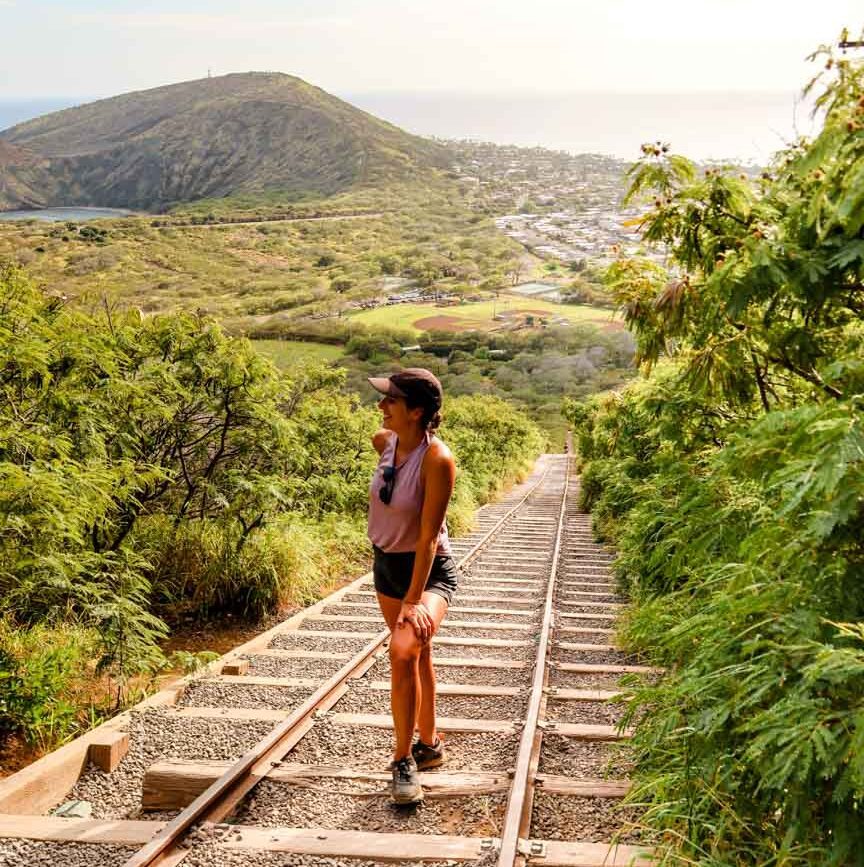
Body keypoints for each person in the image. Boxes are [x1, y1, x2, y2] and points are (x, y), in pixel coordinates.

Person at [367, 368, 458, 805]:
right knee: (417, 654)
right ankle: (430, 742)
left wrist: (412, 600)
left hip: (426, 571)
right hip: (386, 565)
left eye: (392, 401)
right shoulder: (386, 443)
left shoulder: (437, 459)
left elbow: (428, 535)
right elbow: (380, 443)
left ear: (417, 411)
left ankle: (404, 761)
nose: (382, 406)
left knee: (403, 652)